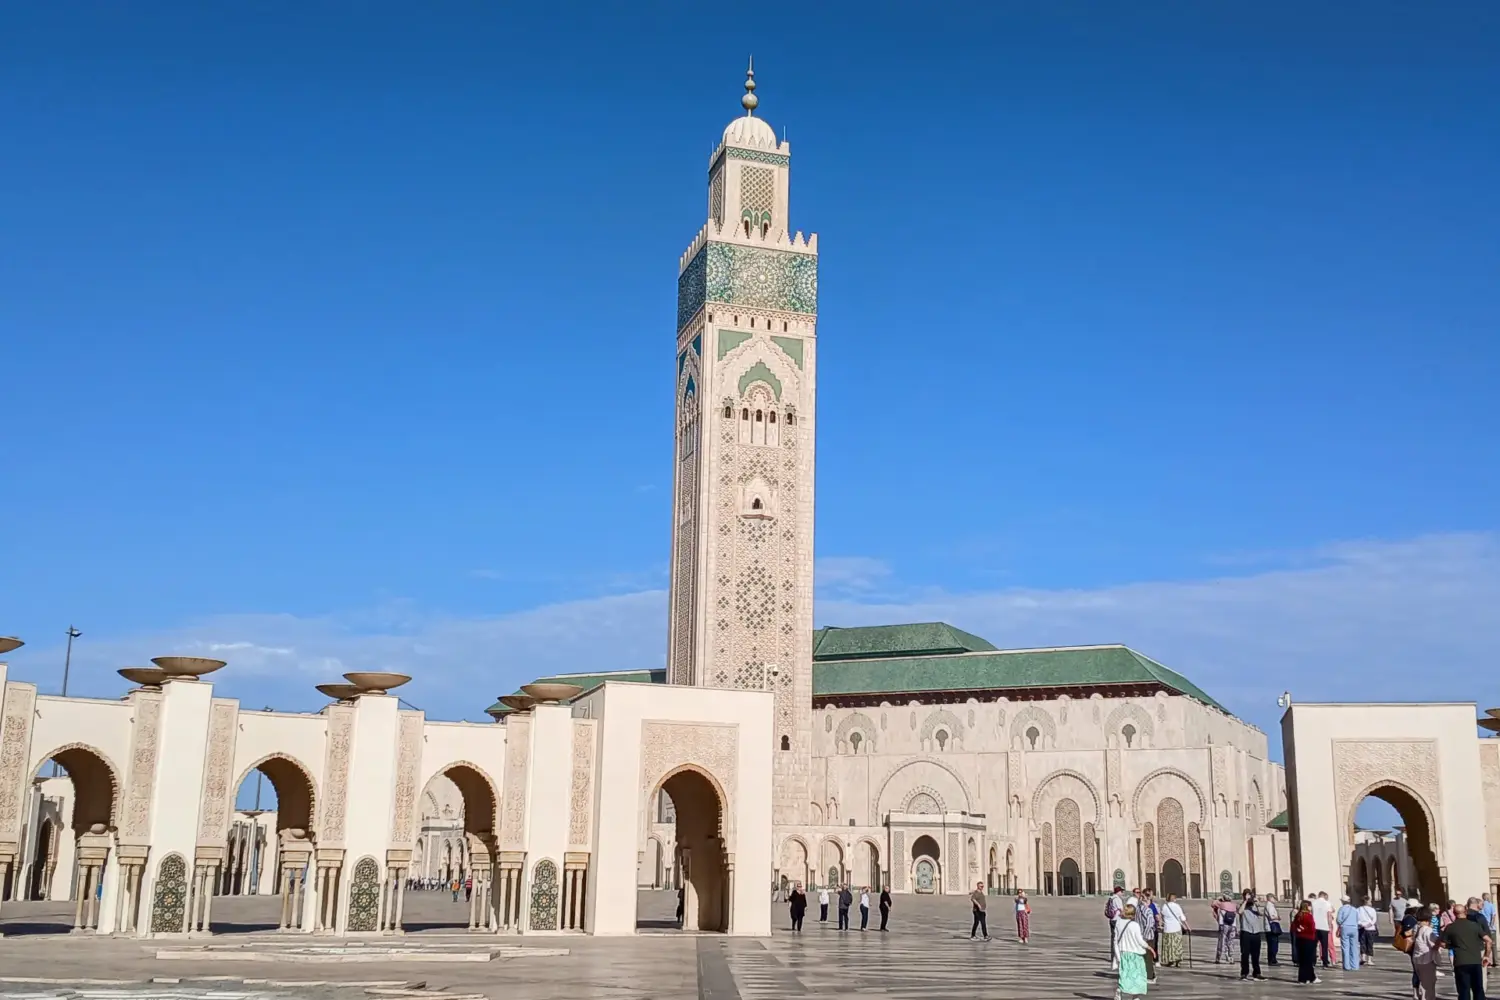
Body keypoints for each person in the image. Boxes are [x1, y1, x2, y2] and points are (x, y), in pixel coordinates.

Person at [1439, 897, 1493, 1000]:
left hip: (1460, 962)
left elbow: (1442, 943)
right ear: (1465, 911)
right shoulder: (1475, 925)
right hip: (1475, 961)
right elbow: (1488, 940)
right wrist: (1486, 955)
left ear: (1454, 914)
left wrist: (1452, 946)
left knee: (1464, 990)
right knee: (1478, 989)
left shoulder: (1450, 927)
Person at [1115, 902, 1155, 999]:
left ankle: (1120, 990)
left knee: (1125, 975)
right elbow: (1140, 940)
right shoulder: (1134, 925)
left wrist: (1117, 955)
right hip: (1135, 954)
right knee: (1138, 976)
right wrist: (1149, 947)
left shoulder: (1119, 923)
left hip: (1124, 953)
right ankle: (1135, 996)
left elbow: (1115, 940)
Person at [1410, 904, 1440, 1000]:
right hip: (1427, 959)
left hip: (1417, 959)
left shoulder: (1416, 927)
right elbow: (1433, 944)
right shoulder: (1427, 930)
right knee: (1429, 987)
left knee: (1423, 983)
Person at [1238, 893, 1269, 981]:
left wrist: (1256, 903)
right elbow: (1239, 912)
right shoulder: (1241, 906)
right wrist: (1245, 901)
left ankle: (1257, 973)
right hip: (1246, 932)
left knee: (1256, 954)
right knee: (1245, 954)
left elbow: (1261, 914)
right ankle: (1244, 973)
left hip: (1256, 932)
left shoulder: (1254, 906)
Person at [1291, 899, 1322, 985]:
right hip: (1309, 939)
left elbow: (1294, 927)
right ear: (1307, 906)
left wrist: (1300, 930)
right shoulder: (1308, 916)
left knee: (1302, 960)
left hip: (1300, 939)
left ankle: (1303, 978)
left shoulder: (1298, 915)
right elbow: (1312, 928)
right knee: (1308, 960)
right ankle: (1310, 978)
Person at [1159, 892, 1187, 967]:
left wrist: (1160, 925)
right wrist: (1187, 926)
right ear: (1174, 899)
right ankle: (1178, 960)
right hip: (1176, 928)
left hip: (1167, 928)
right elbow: (1182, 918)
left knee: (1168, 945)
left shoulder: (1164, 906)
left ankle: (1170, 960)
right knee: (1177, 945)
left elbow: (1161, 916)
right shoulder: (1177, 906)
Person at [1138, 889, 1160, 984]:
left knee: (1141, 956)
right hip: (1148, 937)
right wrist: (1145, 936)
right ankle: (1150, 976)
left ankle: (1142, 974)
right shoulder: (1148, 910)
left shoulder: (1137, 909)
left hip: (1139, 935)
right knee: (1148, 957)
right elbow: (1150, 924)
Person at [1336, 894, 1361, 971]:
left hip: (1345, 928)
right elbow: (1358, 919)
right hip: (1354, 928)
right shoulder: (1354, 909)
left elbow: (1339, 920)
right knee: (1354, 947)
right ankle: (1355, 966)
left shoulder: (1341, 909)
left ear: (1343, 901)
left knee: (1345, 947)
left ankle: (1347, 966)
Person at [1212, 893, 1238, 963]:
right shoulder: (1234, 905)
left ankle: (1218, 958)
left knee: (1221, 942)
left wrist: (1218, 899)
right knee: (1231, 942)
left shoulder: (1221, 904)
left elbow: (1213, 904)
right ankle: (1231, 958)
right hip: (1233, 926)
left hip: (1223, 925)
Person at [1311, 891, 1334, 967]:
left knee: (1314, 945)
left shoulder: (1313, 903)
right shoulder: (1327, 903)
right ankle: (1325, 961)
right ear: (1324, 896)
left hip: (1315, 926)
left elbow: (1311, 914)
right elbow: (1329, 916)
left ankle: (1313, 961)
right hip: (1324, 927)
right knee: (1324, 945)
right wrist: (1330, 925)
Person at [1107, 886, 1127, 970]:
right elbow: (1121, 910)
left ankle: (1113, 956)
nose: (1122, 893)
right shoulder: (1117, 899)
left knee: (1113, 938)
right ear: (1118, 892)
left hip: (1112, 919)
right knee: (1117, 939)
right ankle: (1116, 957)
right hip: (1117, 920)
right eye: (1121, 891)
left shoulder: (1111, 898)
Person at [1357, 897, 1379, 966]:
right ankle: (1369, 960)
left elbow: (1357, 919)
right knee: (1370, 944)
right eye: (1370, 901)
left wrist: (1362, 924)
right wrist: (1368, 925)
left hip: (1361, 928)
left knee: (1362, 943)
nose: (1371, 902)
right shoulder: (1372, 910)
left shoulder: (1358, 909)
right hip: (1370, 929)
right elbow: (1374, 920)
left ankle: (1363, 958)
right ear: (1367, 902)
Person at [1265, 895, 1283, 965]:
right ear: (1271, 898)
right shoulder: (1269, 906)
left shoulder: (1270, 905)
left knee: (1273, 944)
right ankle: (1272, 960)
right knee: (1273, 945)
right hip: (1271, 927)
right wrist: (1278, 917)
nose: (1275, 900)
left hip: (1271, 927)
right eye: (1274, 899)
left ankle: (1273, 959)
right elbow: (1271, 917)